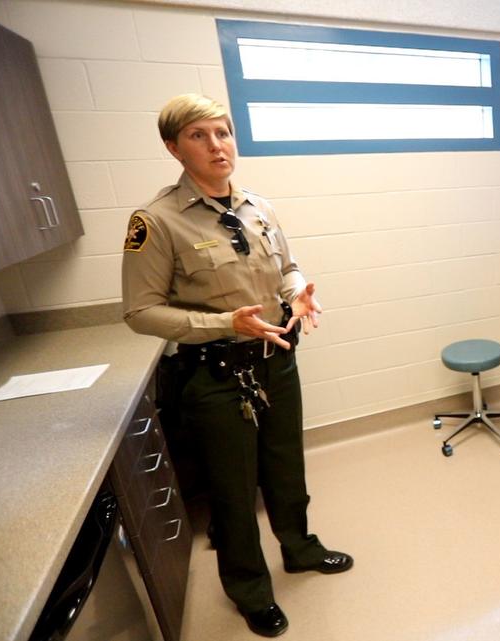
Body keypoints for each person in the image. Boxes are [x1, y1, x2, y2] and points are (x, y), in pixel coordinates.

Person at [121, 94, 350, 638]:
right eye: (198, 136)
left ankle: (299, 548)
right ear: (174, 148)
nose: (216, 146)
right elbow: (139, 312)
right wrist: (224, 323)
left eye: (222, 133)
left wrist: (299, 294)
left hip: (277, 359)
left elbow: (288, 268)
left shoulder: (259, 207)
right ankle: (249, 588)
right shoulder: (156, 221)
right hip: (216, 373)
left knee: (286, 467)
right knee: (233, 488)